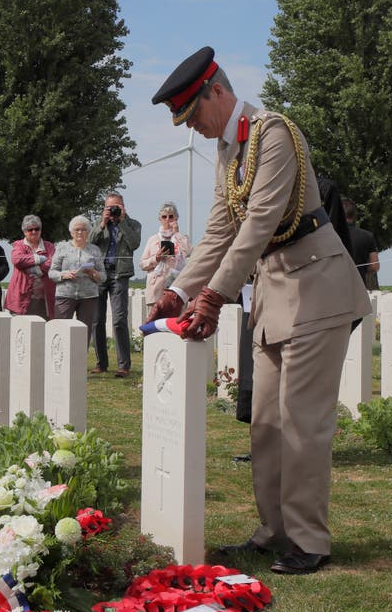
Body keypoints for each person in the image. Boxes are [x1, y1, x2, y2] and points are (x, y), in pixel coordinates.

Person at [148, 46, 370, 575]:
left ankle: (309, 539)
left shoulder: (273, 133)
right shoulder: (229, 153)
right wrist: (180, 289)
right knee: (265, 421)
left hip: (315, 287)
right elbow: (220, 232)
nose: (193, 128)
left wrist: (214, 295)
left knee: (301, 422)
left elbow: (261, 220)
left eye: (195, 115)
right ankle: (274, 530)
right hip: (273, 295)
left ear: (217, 92)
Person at [89, 193, 142, 377]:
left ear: (123, 206)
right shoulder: (98, 223)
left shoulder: (133, 224)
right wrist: (103, 224)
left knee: (119, 319)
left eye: (116, 207)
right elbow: (89, 243)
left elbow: (134, 244)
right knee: (97, 320)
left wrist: (121, 221)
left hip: (120, 274)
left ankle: (123, 365)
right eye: (109, 207)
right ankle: (101, 363)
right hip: (100, 274)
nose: (112, 210)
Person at [49, 215, 104, 345]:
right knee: (61, 330)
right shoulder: (62, 248)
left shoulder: (94, 250)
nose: (80, 232)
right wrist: (64, 275)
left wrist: (93, 273)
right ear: (71, 232)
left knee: (84, 332)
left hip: (89, 296)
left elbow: (103, 276)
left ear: (88, 231)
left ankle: (79, 362)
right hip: (65, 295)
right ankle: (60, 361)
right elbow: (52, 273)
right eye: (77, 229)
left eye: (83, 229)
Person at [139, 202, 193, 308]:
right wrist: (156, 258)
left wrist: (177, 233)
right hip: (157, 287)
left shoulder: (182, 238)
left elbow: (189, 251)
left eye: (171, 216)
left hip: (177, 286)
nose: (167, 219)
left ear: (176, 218)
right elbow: (142, 264)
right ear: (160, 219)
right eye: (164, 217)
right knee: (155, 322)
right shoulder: (153, 239)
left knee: (176, 322)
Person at [6, 215, 56, 318]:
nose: (34, 232)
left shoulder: (49, 246)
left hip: (44, 299)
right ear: (24, 232)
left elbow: (52, 263)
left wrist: (32, 268)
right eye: (30, 229)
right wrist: (40, 259)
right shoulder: (19, 245)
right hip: (21, 297)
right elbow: (17, 260)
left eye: (37, 229)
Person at [342, 197, 380, 290]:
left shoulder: (331, 235)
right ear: (354, 215)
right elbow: (375, 266)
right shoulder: (367, 236)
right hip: (358, 287)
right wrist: (361, 269)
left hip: (334, 287)